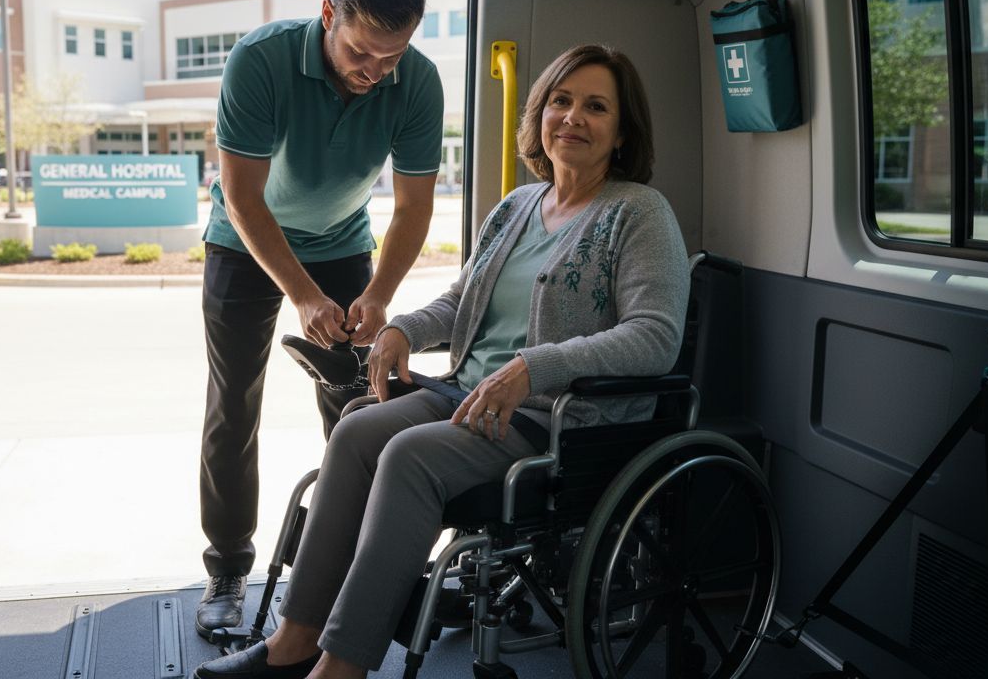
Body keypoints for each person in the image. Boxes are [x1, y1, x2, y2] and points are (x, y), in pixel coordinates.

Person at [192, 44, 691, 679]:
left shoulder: (638, 212)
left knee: (408, 455)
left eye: (596, 107)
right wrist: (402, 328)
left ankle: (340, 667)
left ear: (622, 131)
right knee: (354, 429)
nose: (572, 117)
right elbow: (461, 304)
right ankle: (295, 642)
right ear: (539, 113)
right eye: (561, 101)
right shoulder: (517, 207)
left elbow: (654, 337)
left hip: (557, 419)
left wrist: (535, 367)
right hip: (467, 394)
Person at [196, 0, 444, 637]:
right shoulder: (260, 61)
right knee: (233, 402)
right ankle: (226, 568)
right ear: (328, 14)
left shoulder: (416, 82)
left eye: (392, 57)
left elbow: (414, 208)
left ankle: (356, 570)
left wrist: (380, 293)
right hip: (244, 243)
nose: (376, 73)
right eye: (363, 53)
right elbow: (243, 198)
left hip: (342, 244)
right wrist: (304, 296)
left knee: (358, 409)